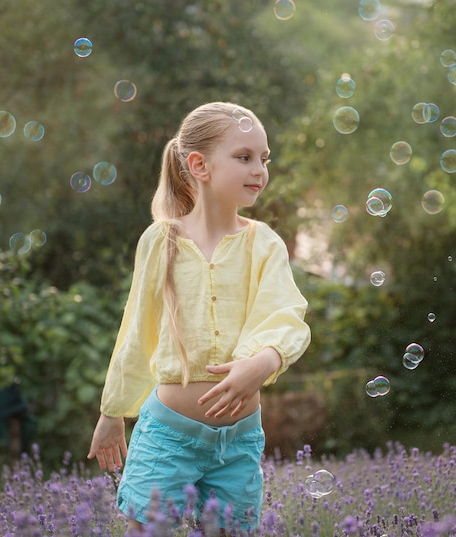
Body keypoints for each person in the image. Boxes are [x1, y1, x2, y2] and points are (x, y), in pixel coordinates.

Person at [87, 101, 311, 533]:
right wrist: (113, 410)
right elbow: (137, 329)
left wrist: (261, 363)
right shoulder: (161, 241)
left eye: (264, 159)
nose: (259, 169)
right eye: (244, 157)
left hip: (238, 442)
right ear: (199, 165)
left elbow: (286, 315)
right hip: (166, 437)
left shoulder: (264, 244)